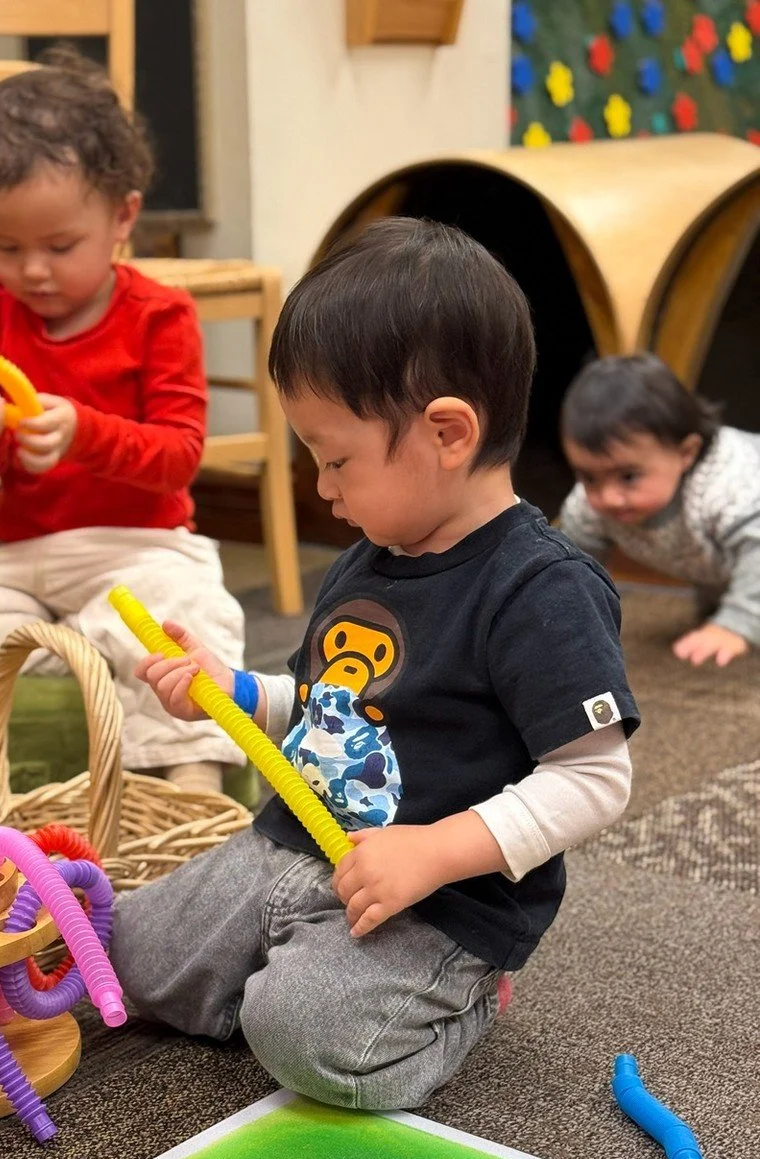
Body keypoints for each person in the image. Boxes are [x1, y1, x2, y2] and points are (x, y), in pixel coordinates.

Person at [109, 218, 639, 1113]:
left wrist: (434, 851)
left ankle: (462, 998)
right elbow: (329, 709)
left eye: (336, 459)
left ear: (447, 433)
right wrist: (230, 694)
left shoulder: (542, 591)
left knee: (308, 1040)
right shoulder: (375, 550)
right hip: (295, 843)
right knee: (128, 956)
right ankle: (297, 961)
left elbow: (595, 781)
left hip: (438, 900)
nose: (325, 489)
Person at [0, 50, 244, 792]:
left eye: (59, 245)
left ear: (123, 218)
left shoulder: (159, 314)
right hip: (22, 556)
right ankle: (97, 645)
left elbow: (179, 455)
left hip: (136, 548)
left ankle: (192, 776)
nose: (33, 270)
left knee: (191, 613)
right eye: (6, 246)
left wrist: (86, 431)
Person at [558, 352, 760, 668]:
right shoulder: (588, 505)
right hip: (719, 571)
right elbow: (571, 568)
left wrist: (736, 622)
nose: (608, 496)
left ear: (686, 453)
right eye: (588, 476)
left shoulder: (730, 487)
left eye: (628, 477)